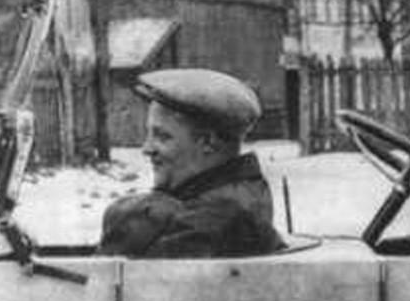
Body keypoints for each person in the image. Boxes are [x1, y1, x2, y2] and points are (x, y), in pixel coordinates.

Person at [99, 68, 283, 258]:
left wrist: (124, 227)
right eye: (149, 134)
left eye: (162, 136)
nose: (147, 148)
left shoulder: (211, 218)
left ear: (208, 143)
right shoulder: (237, 192)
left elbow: (117, 276)